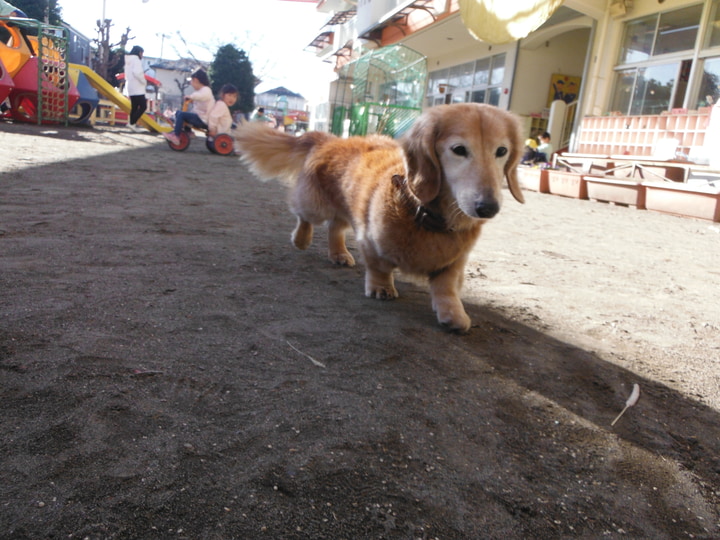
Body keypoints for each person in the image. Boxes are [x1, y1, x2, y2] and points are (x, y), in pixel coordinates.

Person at [164, 69, 213, 145]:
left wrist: (191, 97)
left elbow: (202, 96)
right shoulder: (200, 91)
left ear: (196, 80)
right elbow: (200, 99)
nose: (191, 83)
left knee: (182, 115)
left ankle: (176, 135)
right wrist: (192, 100)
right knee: (179, 113)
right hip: (201, 117)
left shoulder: (206, 90)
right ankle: (188, 132)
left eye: (191, 81)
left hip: (204, 119)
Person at [124, 45, 147, 132]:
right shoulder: (136, 60)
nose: (142, 55)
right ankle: (132, 123)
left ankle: (132, 124)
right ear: (139, 52)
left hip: (130, 86)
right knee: (143, 106)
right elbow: (138, 73)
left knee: (134, 107)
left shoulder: (128, 61)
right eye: (142, 53)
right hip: (138, 87)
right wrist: (143, 81)